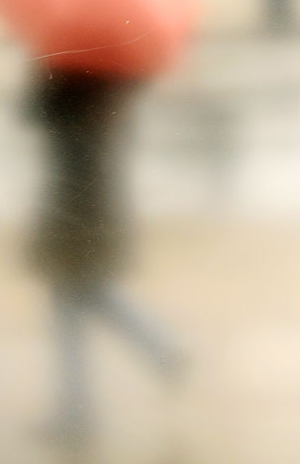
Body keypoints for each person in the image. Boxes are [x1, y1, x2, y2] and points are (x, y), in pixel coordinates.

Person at [27, 67, 184, 447]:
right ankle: (163, 350)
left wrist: (43, 76)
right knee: (89, 298)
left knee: (74, 308)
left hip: (72, 215)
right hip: (92, 211)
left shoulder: (67, 86)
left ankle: (77, 415)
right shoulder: (111, 84)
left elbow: (35, 114)